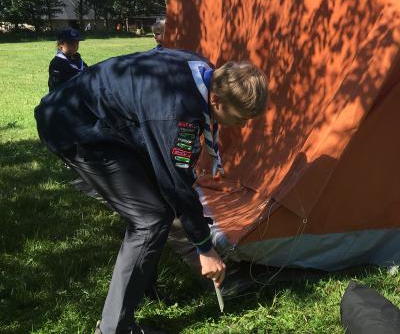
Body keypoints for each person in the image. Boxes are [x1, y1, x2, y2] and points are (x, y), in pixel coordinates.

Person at [35, 48, 268, 333]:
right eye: (240, 118)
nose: (242, 126)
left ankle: (141, 286)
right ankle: (113, 328)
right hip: (75, 126)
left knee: (158, 209)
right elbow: (175, 182)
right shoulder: (177, 114)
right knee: (150, 220)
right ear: (216, 100)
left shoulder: (206, 72)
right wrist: (205, 248)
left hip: (108, 121)